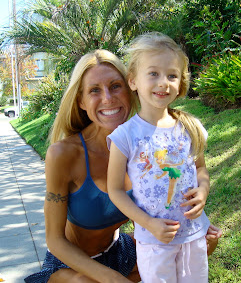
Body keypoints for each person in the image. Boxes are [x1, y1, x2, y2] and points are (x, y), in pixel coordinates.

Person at [24, 48, 222, 283]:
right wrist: (110, 279)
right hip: (71, 266)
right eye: (94, 90)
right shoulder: (64, 154)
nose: (107, 98)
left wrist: (195, 220)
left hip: (122, 253)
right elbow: (55, 240)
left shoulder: (142, 144)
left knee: (204, 241)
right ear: (81, 101)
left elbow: (176, 185)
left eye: (115, 86)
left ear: (131, 89)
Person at [107, 32, 215, 283]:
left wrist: (204, 191)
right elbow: (115, 191)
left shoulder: (189, 127)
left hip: (193, 234)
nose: (163, 82)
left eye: (172, 75)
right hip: (154, 241)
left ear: (181, 83)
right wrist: (148, 223)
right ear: (133, 81)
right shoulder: (124, 136)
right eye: (153, 73)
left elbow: (201, 170)